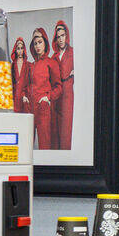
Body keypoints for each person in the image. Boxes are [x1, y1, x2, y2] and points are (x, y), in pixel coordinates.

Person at [23, 27, 61, 149]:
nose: (37, 46)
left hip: (43, 108)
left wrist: (47, 98)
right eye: (35, 43)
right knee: (27, 145)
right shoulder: (31, 65)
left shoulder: (51, 63)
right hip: (29, 108)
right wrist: (24, 96)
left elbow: (58, 87)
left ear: (45, 43)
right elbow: (26, 85)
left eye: (40, 42)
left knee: (44, 144)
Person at [52, 19, 74, 151]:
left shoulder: (73, 53)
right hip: (56, 95)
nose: (60, 39)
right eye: (58, 36)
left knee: (67, 127)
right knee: (56, 127)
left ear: (67, 36)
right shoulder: (53, 56)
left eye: (63, 35)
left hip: (68, 94)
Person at [10, 36, 29, 114]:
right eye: (18, 48)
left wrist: (25, 94)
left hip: (24, 96)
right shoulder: (12, 65)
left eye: (22, 48)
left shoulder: (28, 65)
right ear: (15, 50)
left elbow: (29, 82)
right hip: (15, 95)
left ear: (24, 50)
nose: (20, 51)